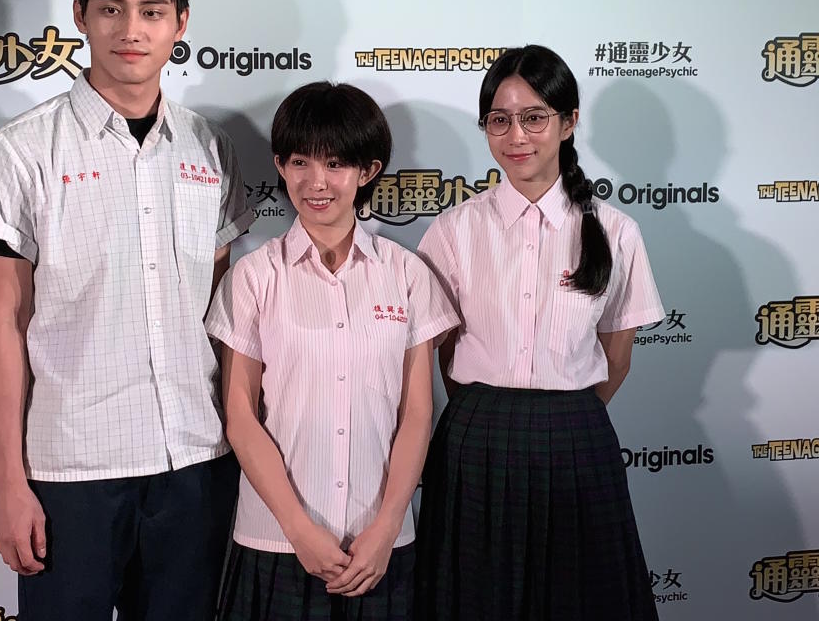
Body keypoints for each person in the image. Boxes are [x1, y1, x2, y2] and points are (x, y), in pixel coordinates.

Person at [0, 0, 252, 620]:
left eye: (152, 12)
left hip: (197, 461)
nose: (131, 30)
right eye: (111, 8)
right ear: (81, 13)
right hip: (72, 469)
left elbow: (220, 315)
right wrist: (7, 482)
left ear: (181, 22)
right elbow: (2, 323)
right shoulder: (20, 151)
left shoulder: (212, 149)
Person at [414, 45, 665, 620]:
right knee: (475, 598)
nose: (516, 135)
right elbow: (442, 349)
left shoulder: (616, 231)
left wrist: (564, 413)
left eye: (534, 117)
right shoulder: (453, 230)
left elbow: (617, 356)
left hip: (578, 435)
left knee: (581, 600)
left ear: (569, 122)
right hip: (476, 435)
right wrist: (490, 409)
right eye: (499, 120)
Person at [206, 82, 459, 621]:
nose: (316, 183)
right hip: (275, 539)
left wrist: (389, 524)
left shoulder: (407, 273)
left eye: (336, 164)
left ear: (367, 171)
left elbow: (416, 412)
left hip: (381, 545)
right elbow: (241, 416)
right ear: (279, 164)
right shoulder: (255, 277)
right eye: (300, 162)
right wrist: (300, 531)